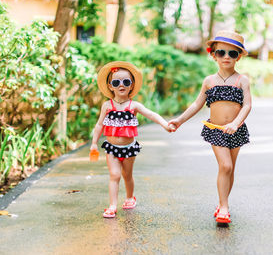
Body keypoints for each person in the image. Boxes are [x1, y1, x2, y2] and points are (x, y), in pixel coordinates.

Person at [168, 31, 252, 223]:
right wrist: (179, 121)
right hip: (215, 130)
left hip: (236, 129)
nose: (226, 57)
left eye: (232, 53)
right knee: (225, 165)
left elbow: (247, 105)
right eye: (221, 52)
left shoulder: (242, 80)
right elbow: (197, 104)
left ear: (238, 56)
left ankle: (223, 202)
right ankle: (223, 207)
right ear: (213, 55)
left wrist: (235, 123)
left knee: (230, 169)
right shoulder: (209, 81)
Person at [90, 61, 174, 218]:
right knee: (114, 175)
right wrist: (94, 143)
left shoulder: (133, 105)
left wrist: (165, 124)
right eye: (116, 82)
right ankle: (112, 205)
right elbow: (99, 124)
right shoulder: (107, 105)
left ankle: (129, 197)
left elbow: (151, 114)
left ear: (131, 85)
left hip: (129, 148)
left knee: (127, 175)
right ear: (110, 86)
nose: (121, 85)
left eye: (126, 82)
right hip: (112, 148)